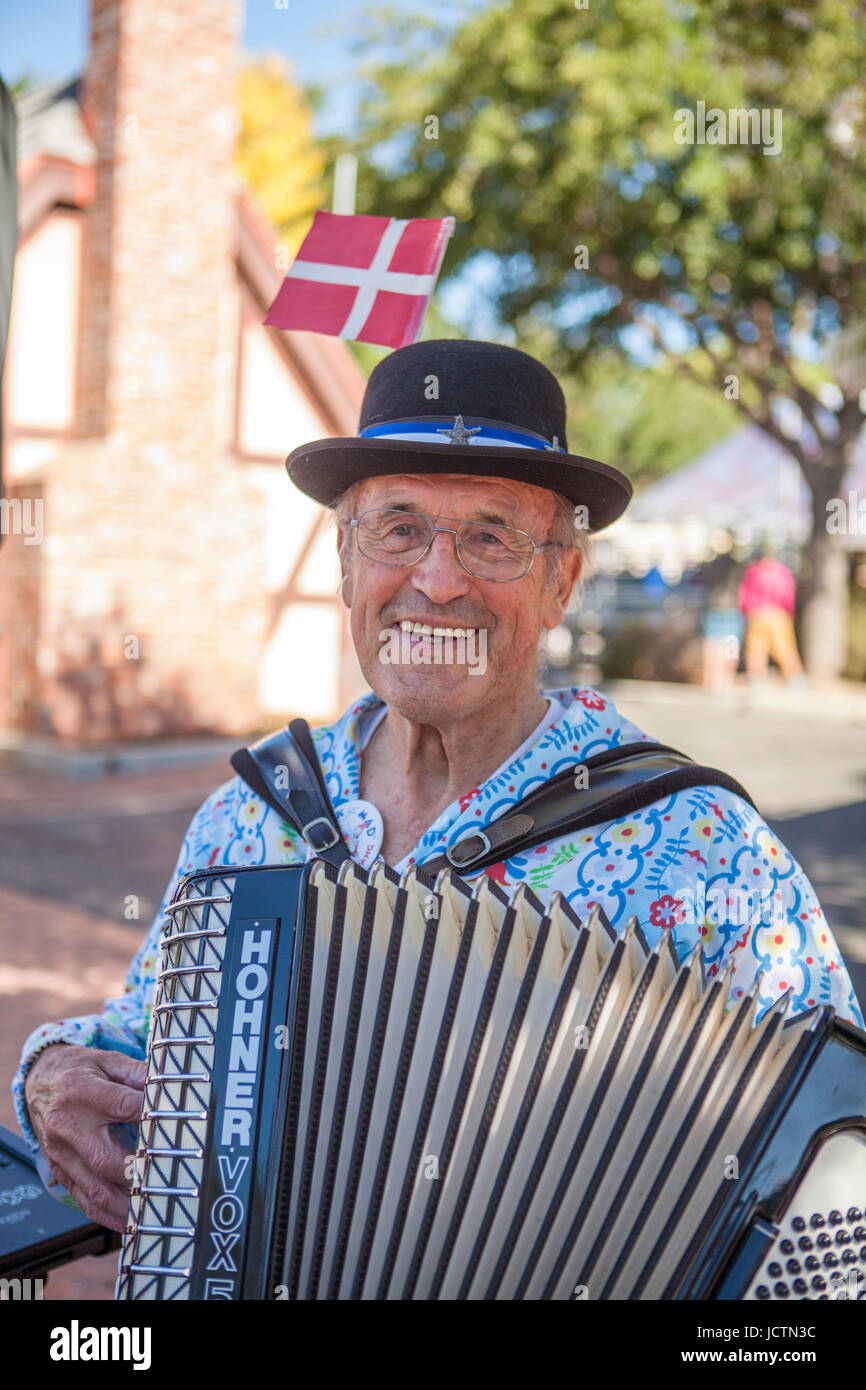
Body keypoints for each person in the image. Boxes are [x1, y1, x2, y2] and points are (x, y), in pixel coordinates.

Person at [14, 338, 863, 1234]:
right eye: (398, 527)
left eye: (492, 536)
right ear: (346, 565)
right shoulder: (252, 817)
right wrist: (55, 1068)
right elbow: (154, 1038)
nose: (437, 579)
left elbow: (834, 1149)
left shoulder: (698, 849)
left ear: (559, 582)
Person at [738, 548, 806, 684]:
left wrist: (746, 611)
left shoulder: (753, 571)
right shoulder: (783, 573)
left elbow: (744, 593)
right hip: (778, 613)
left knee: (756, 649)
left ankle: (756, 678)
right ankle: (795, 677)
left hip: (756, 613)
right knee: (784, 647)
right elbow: (787, 594)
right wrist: (788, 613)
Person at [700, 546, 744, 689]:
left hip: (714, 605)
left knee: (713, 642)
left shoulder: (713, 565)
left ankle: (710, 677)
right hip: (732, 608)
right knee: (730, 644)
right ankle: (726, 677)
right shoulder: (738, 566)